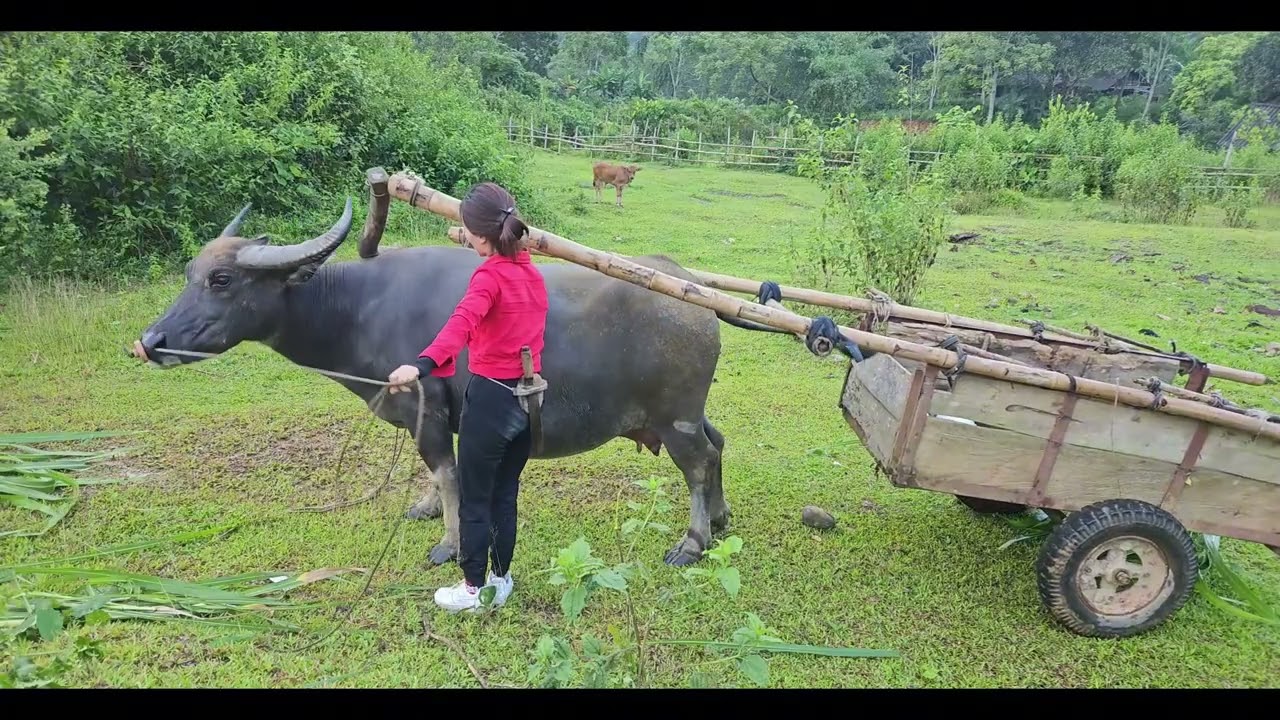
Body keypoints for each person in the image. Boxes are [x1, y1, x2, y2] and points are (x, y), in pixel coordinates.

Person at [387, 182, 548, 613]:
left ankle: (474, 589)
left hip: (492, 399)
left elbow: (462, 322)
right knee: (505, 494)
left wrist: (420, 365)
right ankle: (501, 577)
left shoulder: (489, 276)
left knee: (476, 495)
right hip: (528, 398)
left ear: (478, 234)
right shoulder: (531, 271)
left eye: (466, 229)